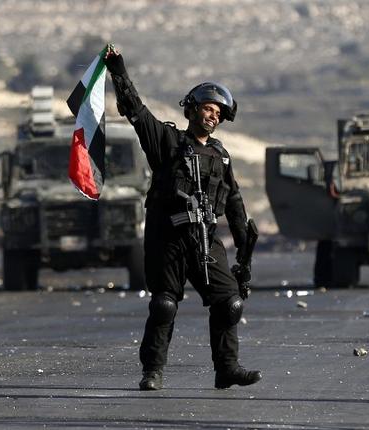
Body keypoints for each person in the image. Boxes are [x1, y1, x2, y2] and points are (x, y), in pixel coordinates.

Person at [103, 46, 261, 391]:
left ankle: (227, 368)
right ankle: (153, 371)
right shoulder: (168, 141)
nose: (214, 116)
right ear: (192, 109)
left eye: (219, 112)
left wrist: (244, 252)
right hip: (168, 237)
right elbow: (135, 111)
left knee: (230, 302)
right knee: (164, 304)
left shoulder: (221, 156)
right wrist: (118, 70)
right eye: (208, 108)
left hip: (206, 238)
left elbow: (234, 202)